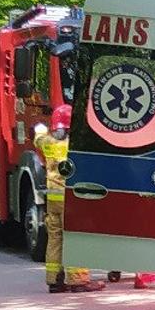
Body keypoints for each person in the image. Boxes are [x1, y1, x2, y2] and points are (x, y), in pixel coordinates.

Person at [35, 105, 103, 294]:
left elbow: (38, 136)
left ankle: (54, 280)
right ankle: (78, 280)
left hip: (53, 199)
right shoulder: (76, 144)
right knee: (76, 237)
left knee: (55, 238)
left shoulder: (47, 142)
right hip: (71, 199)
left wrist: (40, 128)